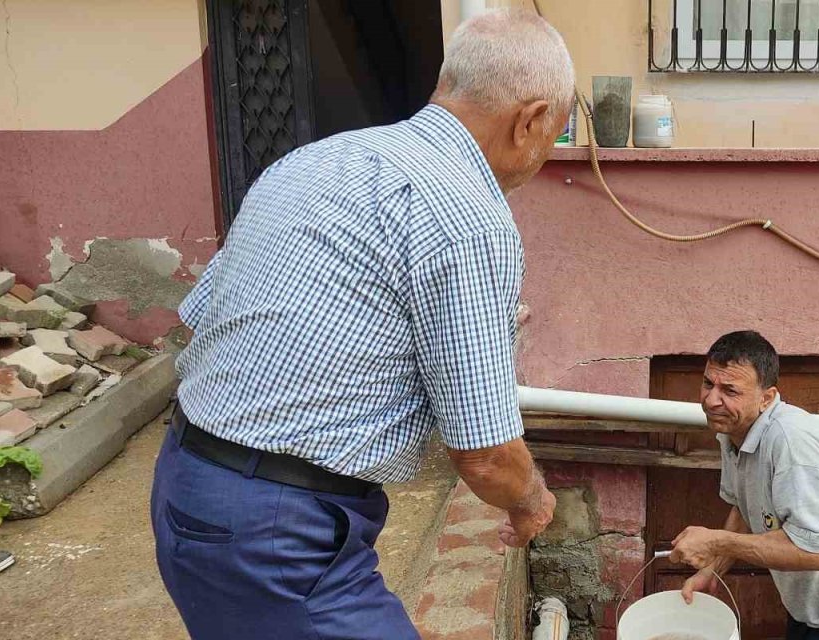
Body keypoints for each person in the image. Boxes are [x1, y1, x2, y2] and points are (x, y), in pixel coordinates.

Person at [151, 9, 573, 639]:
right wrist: (533, 501)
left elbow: (208, 316)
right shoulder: (472, 219)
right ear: (532, 120)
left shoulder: (315, 160)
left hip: (187, 483)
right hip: (279, 533)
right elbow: (485, 456)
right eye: (555, 136)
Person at [670, 331, 819, 640]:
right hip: (815, 607)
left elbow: (817, 554)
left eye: (730, 390)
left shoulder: (792, 445)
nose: (711, 400)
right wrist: (713, 569)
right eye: (708, 383)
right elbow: (746, 505)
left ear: (767, 398)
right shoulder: (733, 428)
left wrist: (717, 542)